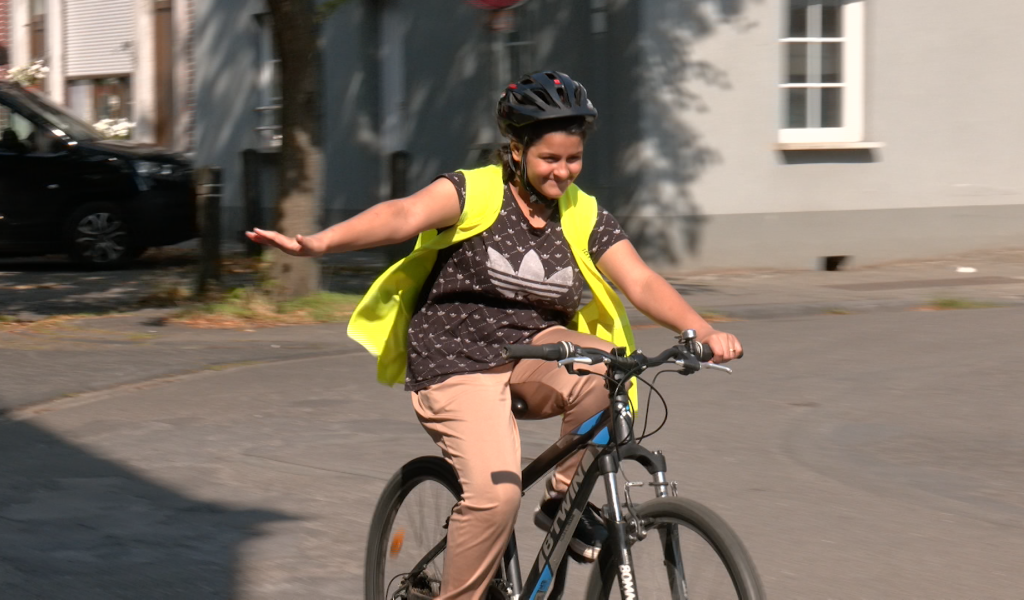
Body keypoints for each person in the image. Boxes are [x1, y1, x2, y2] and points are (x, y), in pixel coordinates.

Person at [247, 70, 742, 600]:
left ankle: (560, 501)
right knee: (495, 496)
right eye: (549, 158)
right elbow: (405, 214)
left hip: (536, 353)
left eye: (572, 159)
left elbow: (640, 279)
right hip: (455, 359)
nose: (562, 171)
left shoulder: (583, 213)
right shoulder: (476, 191)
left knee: (611, 368)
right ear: (517, 149)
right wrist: (320, 244)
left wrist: (703, 329)